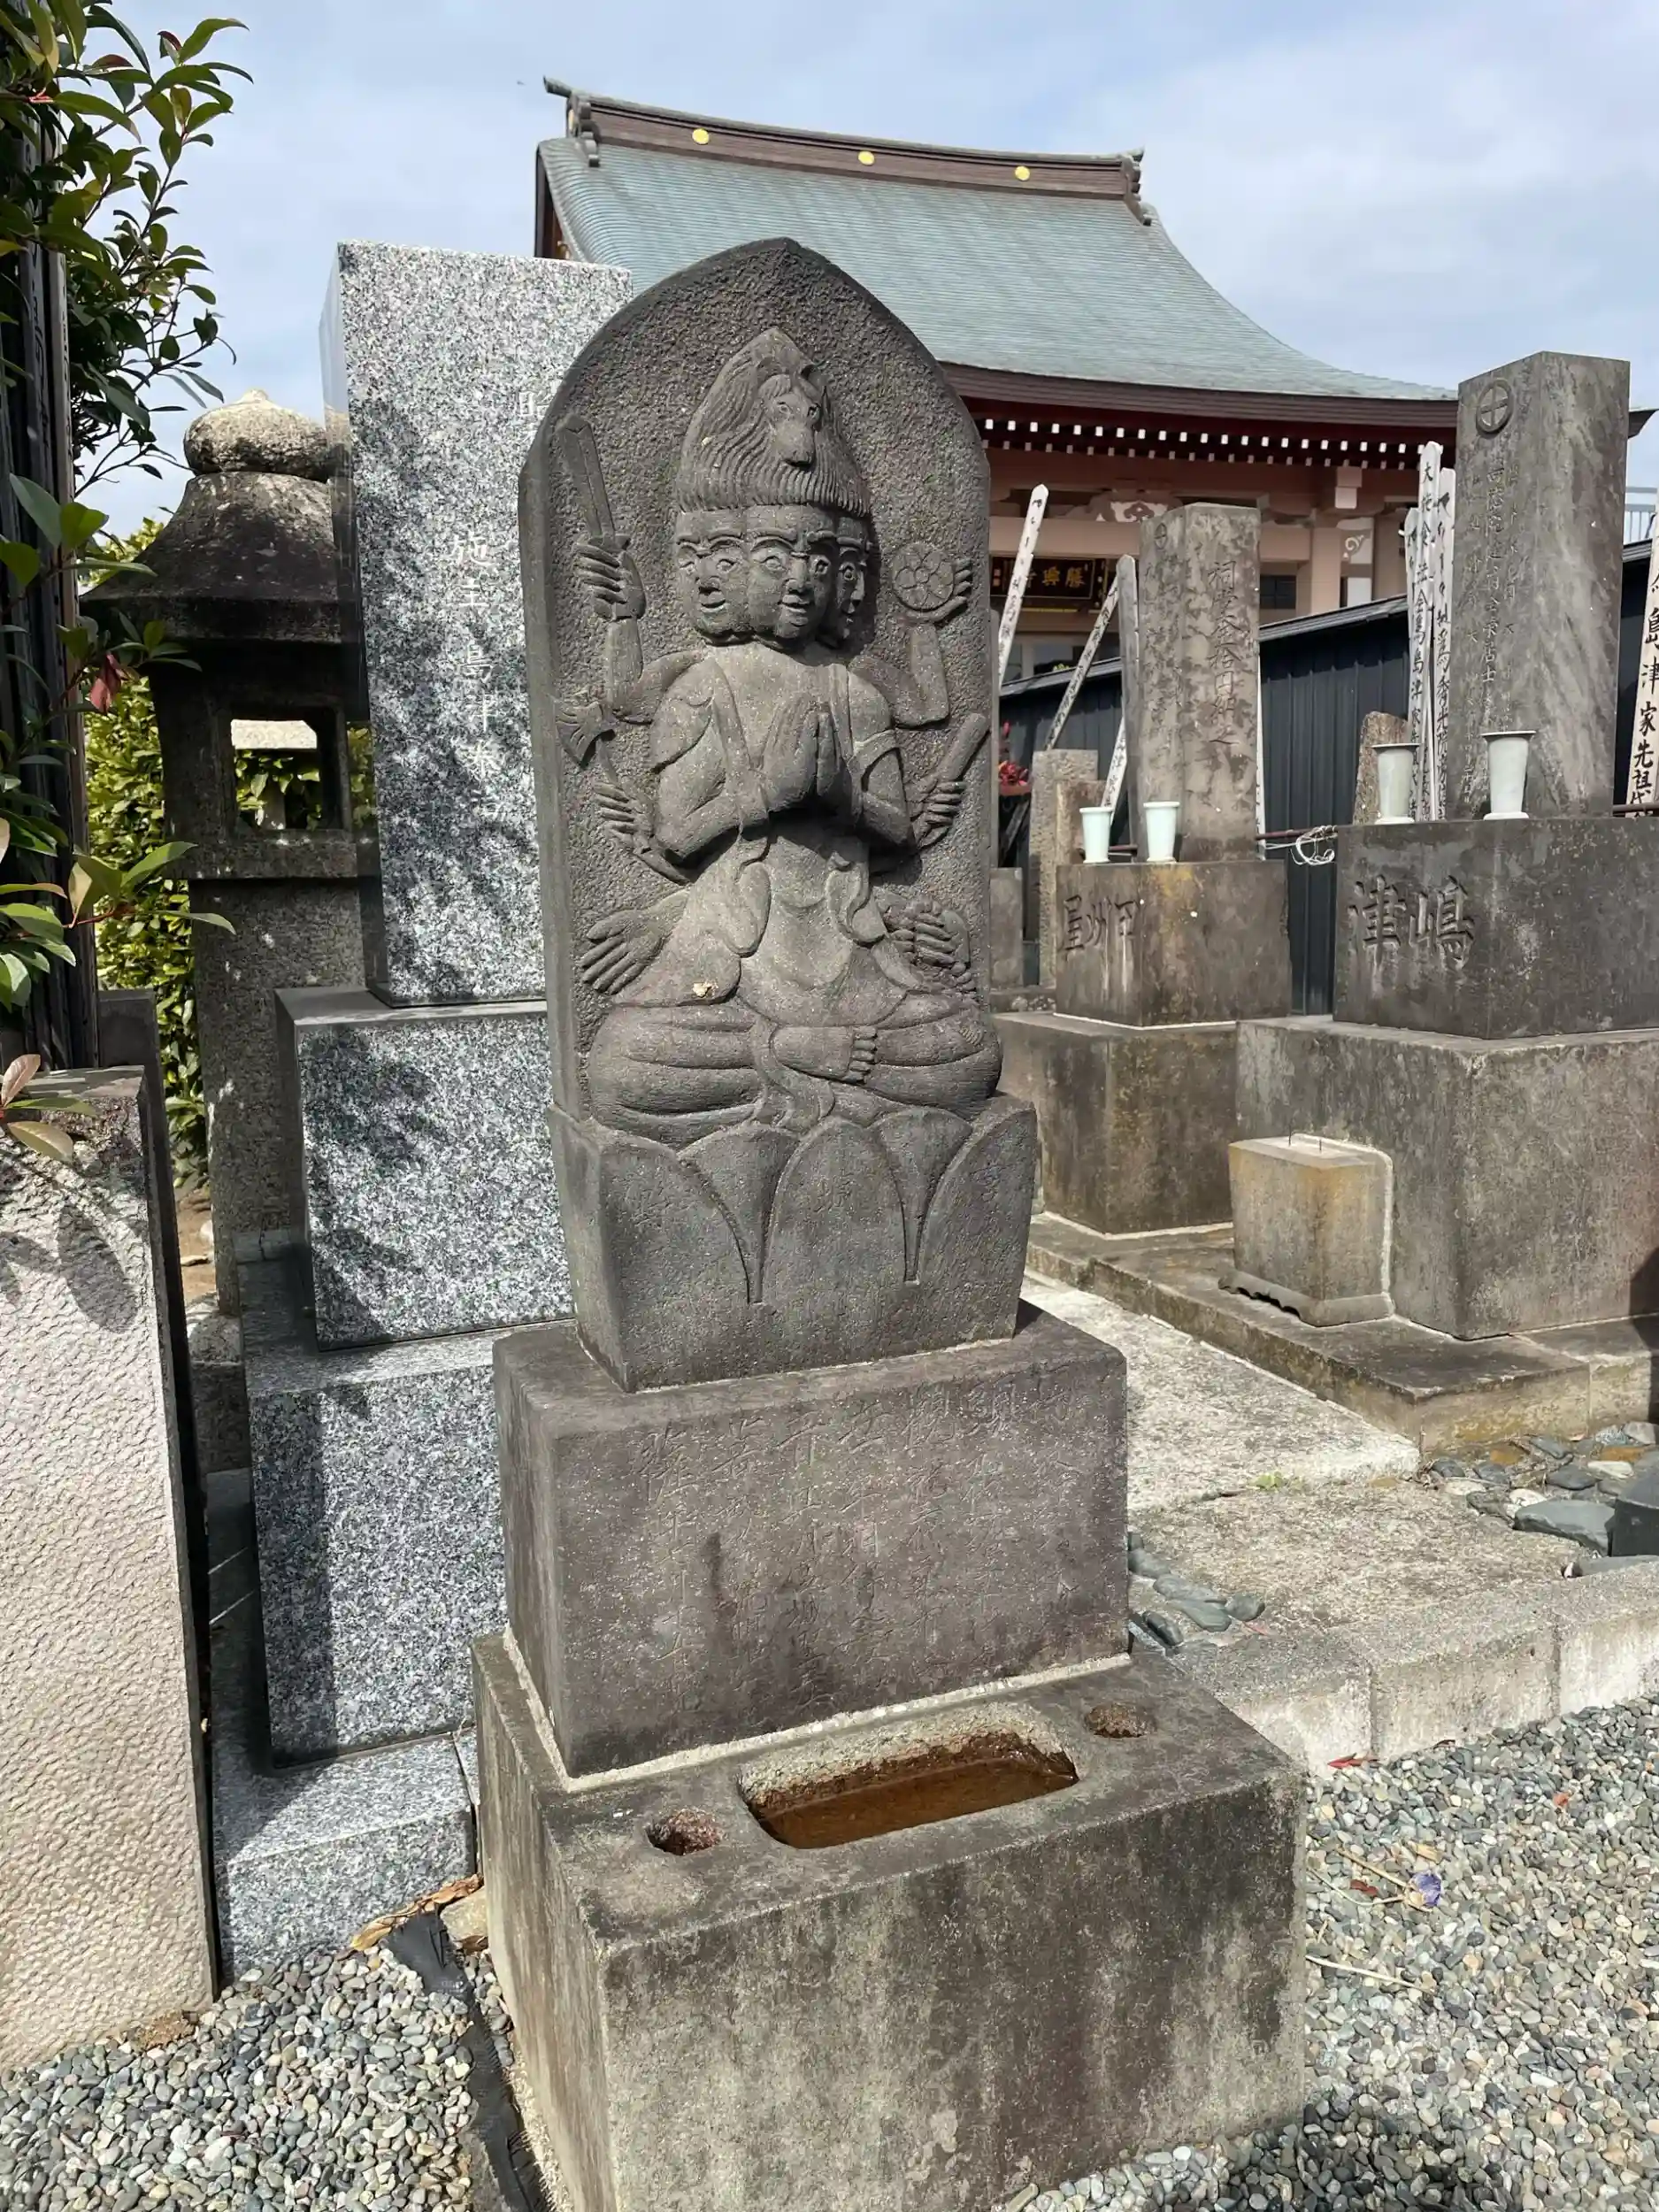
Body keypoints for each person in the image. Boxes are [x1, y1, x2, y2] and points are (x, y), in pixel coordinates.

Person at [572, 330, 1001, 1147]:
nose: (801, 580)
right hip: (735, 941)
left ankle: (798, 1079)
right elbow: (676, 834)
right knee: (624, 1070)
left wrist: (841, 798)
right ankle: (784, 1060)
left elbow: (897, 830)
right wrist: (764, 795)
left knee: (967, 1053)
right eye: (774, 558)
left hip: (847, 938)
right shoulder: (703, 685)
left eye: (820, 561)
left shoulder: (854, 691)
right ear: (723, 566)